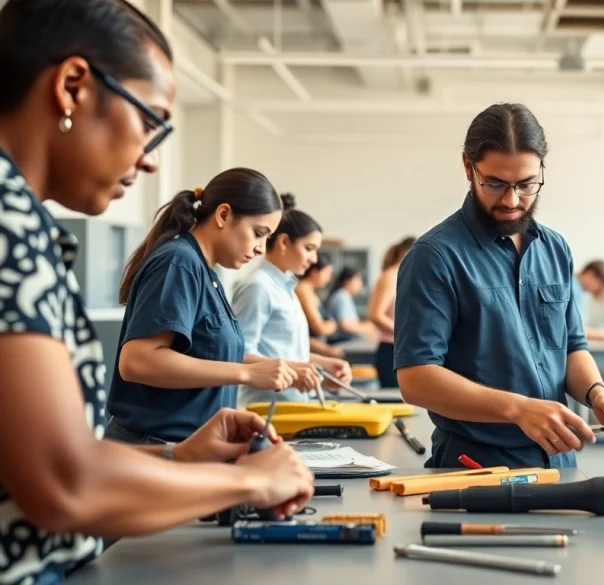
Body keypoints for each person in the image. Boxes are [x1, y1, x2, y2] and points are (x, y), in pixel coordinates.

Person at [0, 1, 312, 583]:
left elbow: (44, 460)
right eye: (149, 122)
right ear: (72, 86)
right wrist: (250, 479)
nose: (148, 160)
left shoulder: (24, 223)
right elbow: (61, 484)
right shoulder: (7, 225)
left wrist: (178, 457)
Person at [393, 103, 604, 469]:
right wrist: (518, 409)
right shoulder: (435, 256)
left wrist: (597, 393)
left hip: (558, 460)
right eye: (495, 183)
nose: (511, 200)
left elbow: (571, 346)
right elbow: (416, 378)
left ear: (541, 170)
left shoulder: (555, 249)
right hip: (474, 465)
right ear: (467, 167)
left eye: (526, 185)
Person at [105, 168, 306, 445]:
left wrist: (277, 368)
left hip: (187, 450)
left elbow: (206, 352)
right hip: (153, 450)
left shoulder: (206, 272)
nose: (261, 248)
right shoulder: (180, 262)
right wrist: (247, 374)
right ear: (223, 215)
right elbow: (138, 361)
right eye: (258, 233)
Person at [231, 194, 353, 408]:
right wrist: (293, 372)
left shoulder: (286, 288)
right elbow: (237, 354)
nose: (314, 259)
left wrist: (324, 366)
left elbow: (286, 353)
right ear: (284, 242)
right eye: (309, 248)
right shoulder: (258, 287)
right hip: (266, 409)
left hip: (291, 404)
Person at [369, 236, 416, 388]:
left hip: (401, 348)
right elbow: (376, 315)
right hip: (391, 350)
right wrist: (408, 333)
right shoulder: (392, 275)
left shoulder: (406, 274)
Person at [326, 267, 379, 339]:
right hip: (341, 340)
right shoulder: (341, 297)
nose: (360, 283)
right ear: (347, 281)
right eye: (357, 279)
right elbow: (345, 326)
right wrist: (366, 327)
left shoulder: (345, 296)